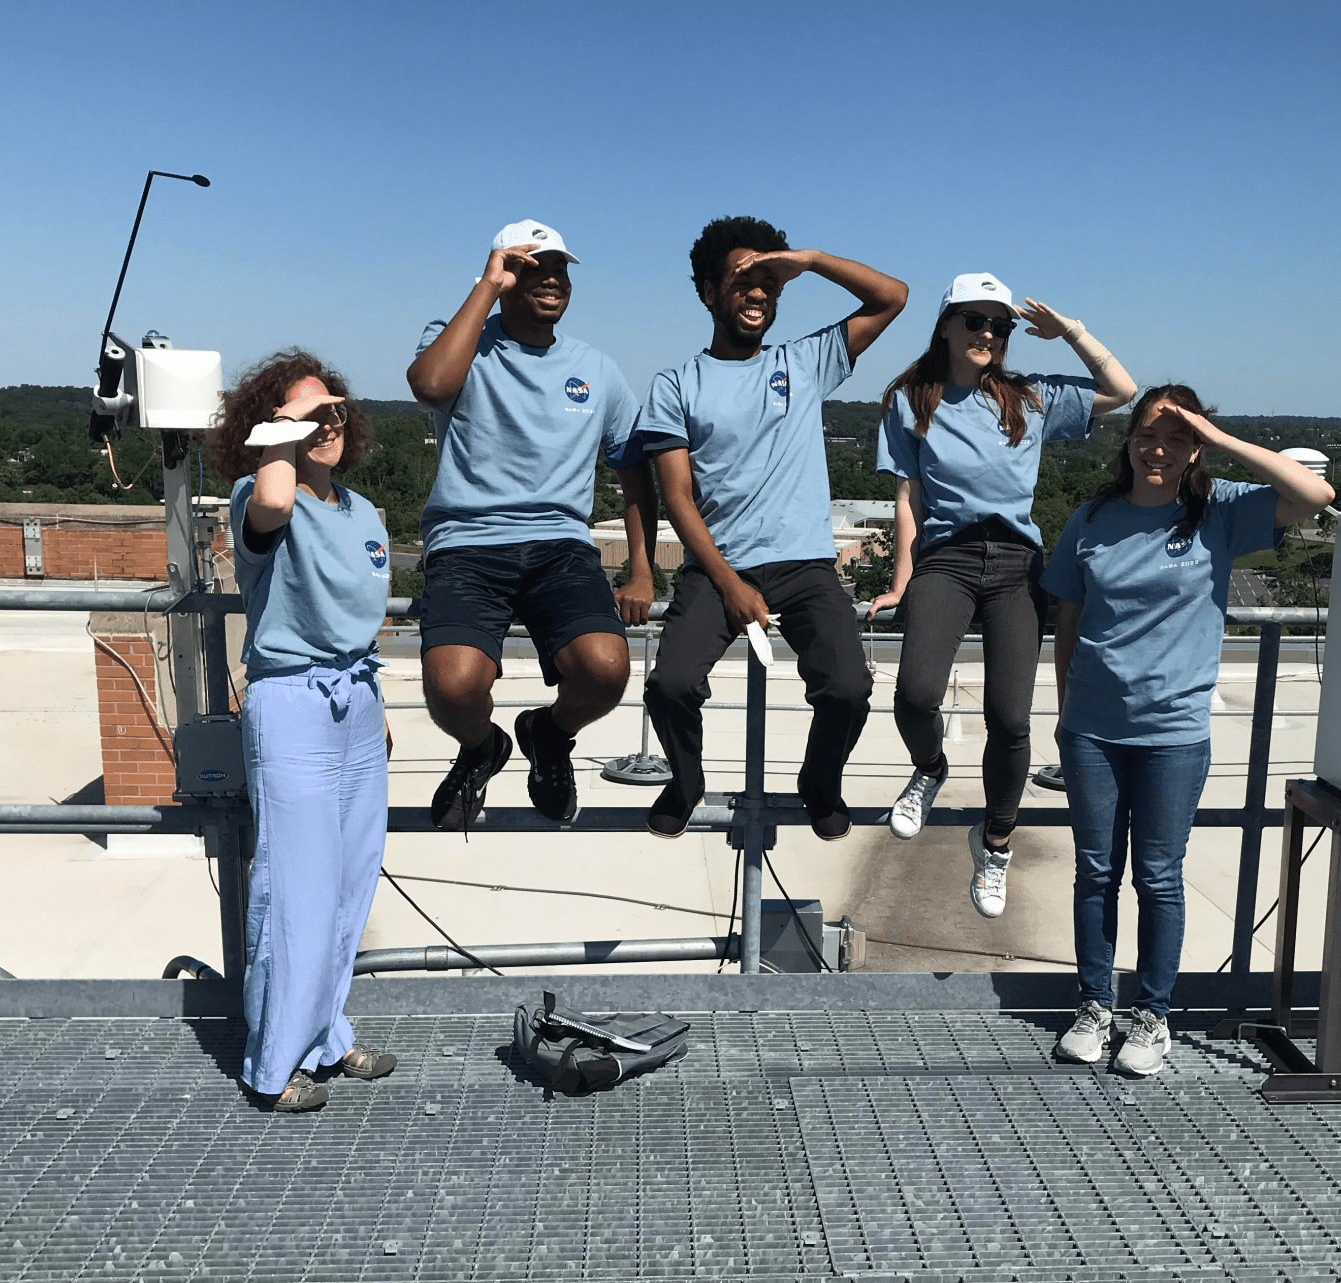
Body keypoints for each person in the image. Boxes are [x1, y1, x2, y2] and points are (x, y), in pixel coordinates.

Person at [1043, 384, 1333, 1075]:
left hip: (1173, 731)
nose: (1159, 450)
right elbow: (1067, 627)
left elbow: (1315, 495)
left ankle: (1152, 1016)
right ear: (1128, 441)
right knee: (1095, 873)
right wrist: (1064, 713)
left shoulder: (1219, 511)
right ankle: (1094, 1006)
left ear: (1196, 448)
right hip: (1092, 730)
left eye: (1177, 439)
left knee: (1158, 876)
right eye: (1147, 434)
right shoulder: (1091, 518)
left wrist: (1220, 437)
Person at [870, 274, 1135, 918]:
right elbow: (908, 498)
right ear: (945, 326)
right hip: (948, 559)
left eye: (999, 324)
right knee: (915, 693)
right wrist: (902, 581)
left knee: (1012, 719)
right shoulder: (911, 399)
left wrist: (1069, 331)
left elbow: (1122, 390)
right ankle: (929, 768)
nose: (987, 333)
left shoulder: (1029, 397)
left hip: (1018, 566)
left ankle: (995, 841)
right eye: (974, 320)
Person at [638, 217, 907, 840]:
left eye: (768, 282)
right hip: (718, 567)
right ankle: (685, 781)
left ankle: (820, 781)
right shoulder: (677, 384)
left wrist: (807, 260)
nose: (758, 293)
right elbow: (677, 498)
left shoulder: (804, 361)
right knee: (670, 685)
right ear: (709, 292)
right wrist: (729, 583)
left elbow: (892, 297)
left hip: (805, 565)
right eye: (742, 281)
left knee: (848, 687)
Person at [408, 219, 657, 832]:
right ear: (502, 273)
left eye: (561, 269)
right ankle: (481, 748)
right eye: (532, 267)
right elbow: (430, 386)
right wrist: (488, 287)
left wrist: (642, 570)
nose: (551, 279)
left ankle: (548, 734)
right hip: (467, 542)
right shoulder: (462, 341)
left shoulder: (597, 368)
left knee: (606, 670)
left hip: (561, 547)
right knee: (453, 689)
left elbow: (635, 476)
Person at [208, 351, 400, 1113]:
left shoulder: (364, 511)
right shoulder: (258, 493)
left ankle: (325, 1035)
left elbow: (360, 628)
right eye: (309, 413)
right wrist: (284, 431)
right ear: (274, 424)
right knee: (296, 889)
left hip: (355, 700)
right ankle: (273, 1063)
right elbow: (275, 501)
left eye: (336, 411)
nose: (328, 424)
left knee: (350, 883)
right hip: (292, 701)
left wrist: (378, 709)